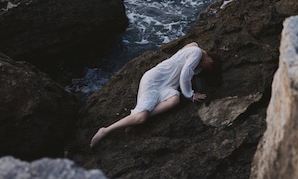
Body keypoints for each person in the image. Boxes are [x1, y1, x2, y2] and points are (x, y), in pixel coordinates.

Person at [90, 42, 221, 148]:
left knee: (175, 100)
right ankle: (105, 130)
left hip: (167, 86)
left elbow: (190, 47)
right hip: (154, 80)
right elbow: (185, 74)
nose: (205, 68)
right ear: (210, 61)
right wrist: (191, 94)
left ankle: (133, 118)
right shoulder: (196, 52)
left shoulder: (194, 48)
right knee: (141, 118)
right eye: (209, 66)